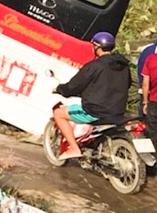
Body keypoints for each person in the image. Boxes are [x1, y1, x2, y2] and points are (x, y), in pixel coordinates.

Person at [52, 31, 131, 160]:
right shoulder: (123, 66)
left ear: (96, 46)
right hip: (117, 110)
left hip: (95, 110)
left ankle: (73, 148)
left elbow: (74, 86)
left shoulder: (94, 66)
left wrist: (60, 89)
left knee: (58, 114)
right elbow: (127, 84)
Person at [140, 42, 157, 144]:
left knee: (152, 130)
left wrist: (145, 102)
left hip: (154, 101)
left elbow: (145, 83)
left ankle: (154, 155)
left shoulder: (150, 59)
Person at [137, 41, 157, 116]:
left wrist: (145, 101)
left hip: (151, 97)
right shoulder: (148, 51)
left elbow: (144, 80)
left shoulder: (149, 55)